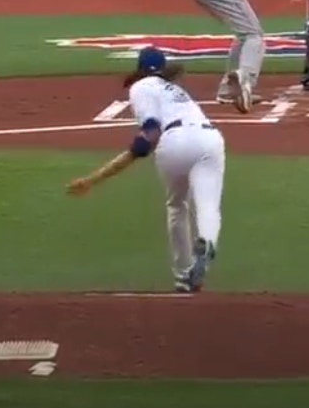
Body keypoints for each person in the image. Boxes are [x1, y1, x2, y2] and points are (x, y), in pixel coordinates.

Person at [67, 47, 224, 294]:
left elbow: (148, 137)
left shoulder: (141, 87)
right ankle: (207, 240)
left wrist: (94, 179)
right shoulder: (176, 90)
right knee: (208, 205)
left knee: (177, 206)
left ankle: (184, 274)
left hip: (176, 141)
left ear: (140, 69)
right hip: (210, 139)